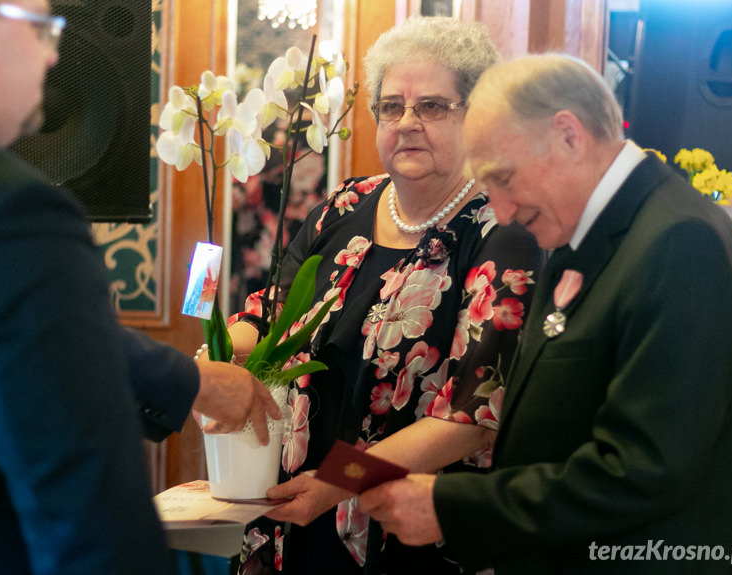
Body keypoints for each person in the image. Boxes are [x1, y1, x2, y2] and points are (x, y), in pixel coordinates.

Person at [0, 1, 279, 573]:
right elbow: (87, 513)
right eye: (44, 30)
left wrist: (188, 378)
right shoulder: (7, 210)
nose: (54, 55)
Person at [359, 53, 732, 574]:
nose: (501, 210)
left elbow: (643, 469)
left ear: (569, 134)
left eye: (504, 178)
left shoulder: (679, 241)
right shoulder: (579, 228)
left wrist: (455, 507)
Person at [228, 17, 545, 575]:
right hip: (301, 511)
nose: (408, 123)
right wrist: (216, 360)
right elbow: (273, 313)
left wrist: (337, 483)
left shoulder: (504, 232)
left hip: (411, 531)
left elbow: (471, 414)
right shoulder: (346, 205)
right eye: (392, 106)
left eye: (432, 107)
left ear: (477, 117)